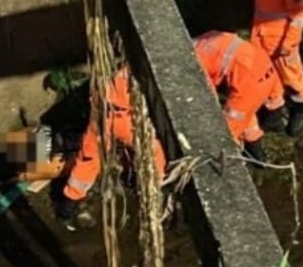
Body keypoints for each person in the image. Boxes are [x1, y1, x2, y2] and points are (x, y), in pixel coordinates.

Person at [56, 66, 168, 227]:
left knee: (88, 158)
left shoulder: (124, 70)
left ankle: (68, 204)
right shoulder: (150, 69)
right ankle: (157, 196)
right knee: (156, 156)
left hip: (103, 111)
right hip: (124, 116)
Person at [193, 30, 281, 163]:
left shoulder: (196, 63)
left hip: (249, 78)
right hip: (261, 63)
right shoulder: (205, 38)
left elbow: (208, 97)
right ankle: (256, 153)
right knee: (245, 113)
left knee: (227, 129)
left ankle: (228, 162)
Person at [251, 0, 303, 136]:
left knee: (292, 78)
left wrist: (289, 43)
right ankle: (273, 114)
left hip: (281, 42)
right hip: (261, 37)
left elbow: (300, 14)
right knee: (267, 76)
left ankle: (301, 108)